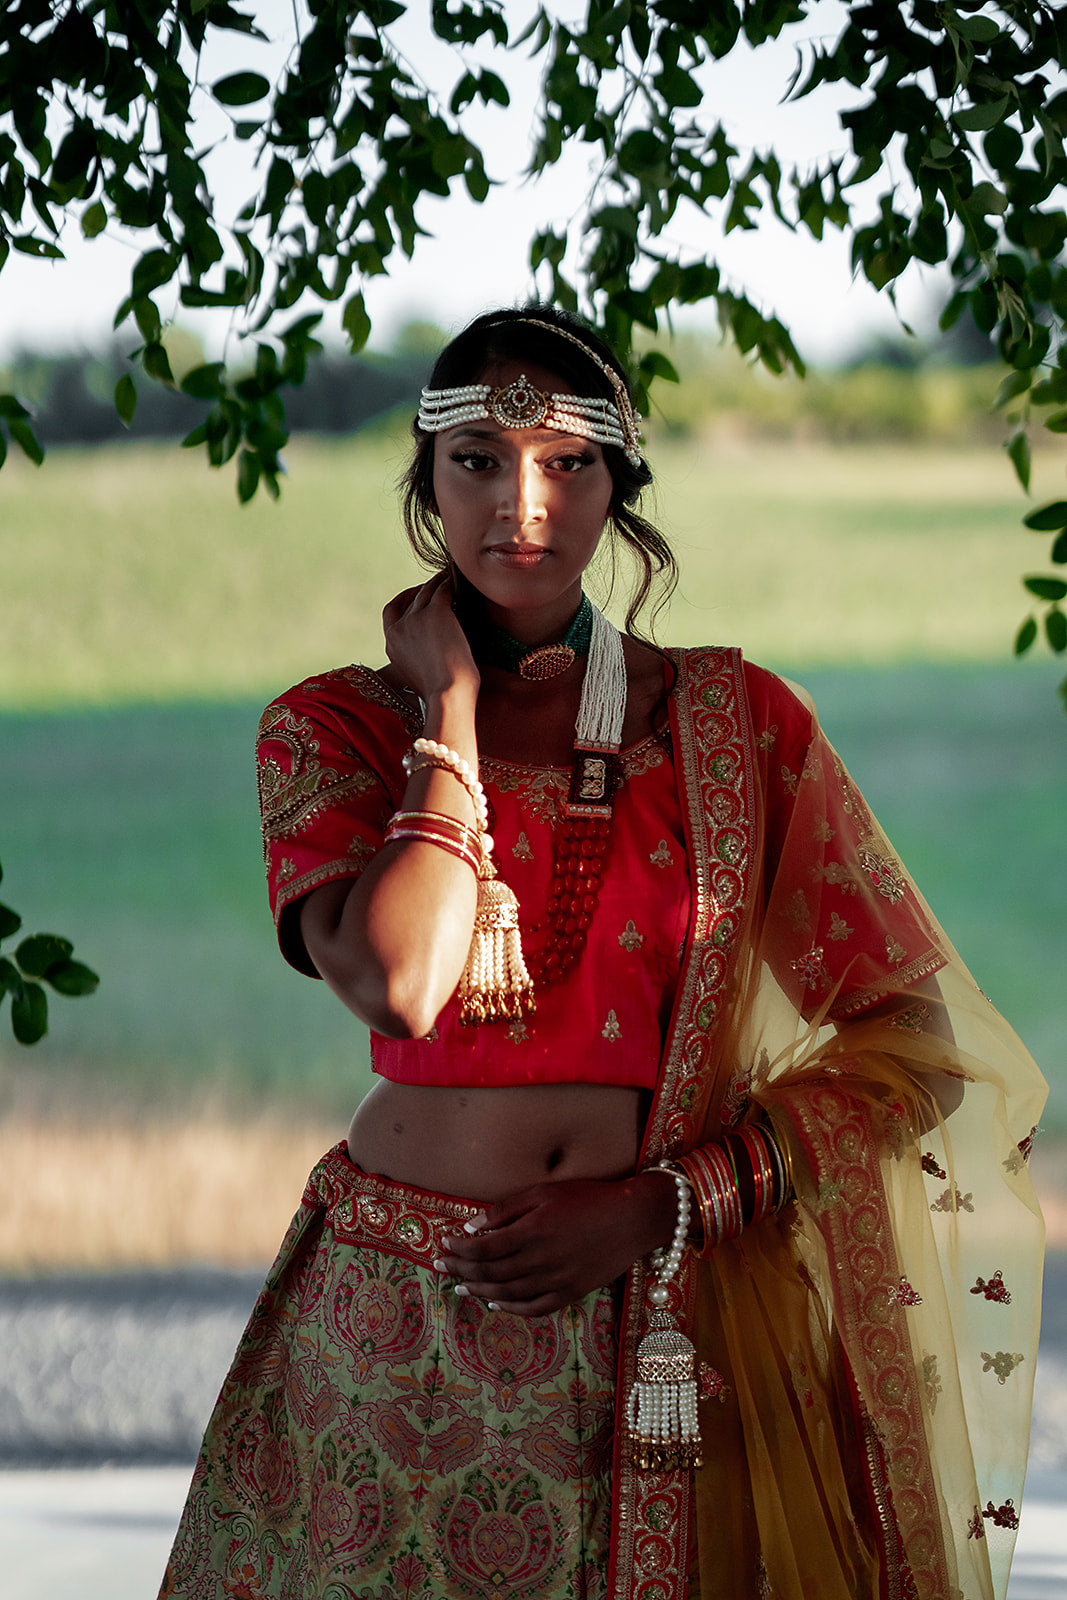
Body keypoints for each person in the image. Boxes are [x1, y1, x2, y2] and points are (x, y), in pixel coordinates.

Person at [159, 307, 1047, 1600]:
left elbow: (915, 1047)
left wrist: (670, 1204)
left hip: (661, 1315)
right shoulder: (338, 724)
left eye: (569, 463)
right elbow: (400, 981)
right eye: (479, 463)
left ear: (621, 485)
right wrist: (449, 714)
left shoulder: (737, 725)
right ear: (425, 486)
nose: (523, 503)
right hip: (399, 1314)